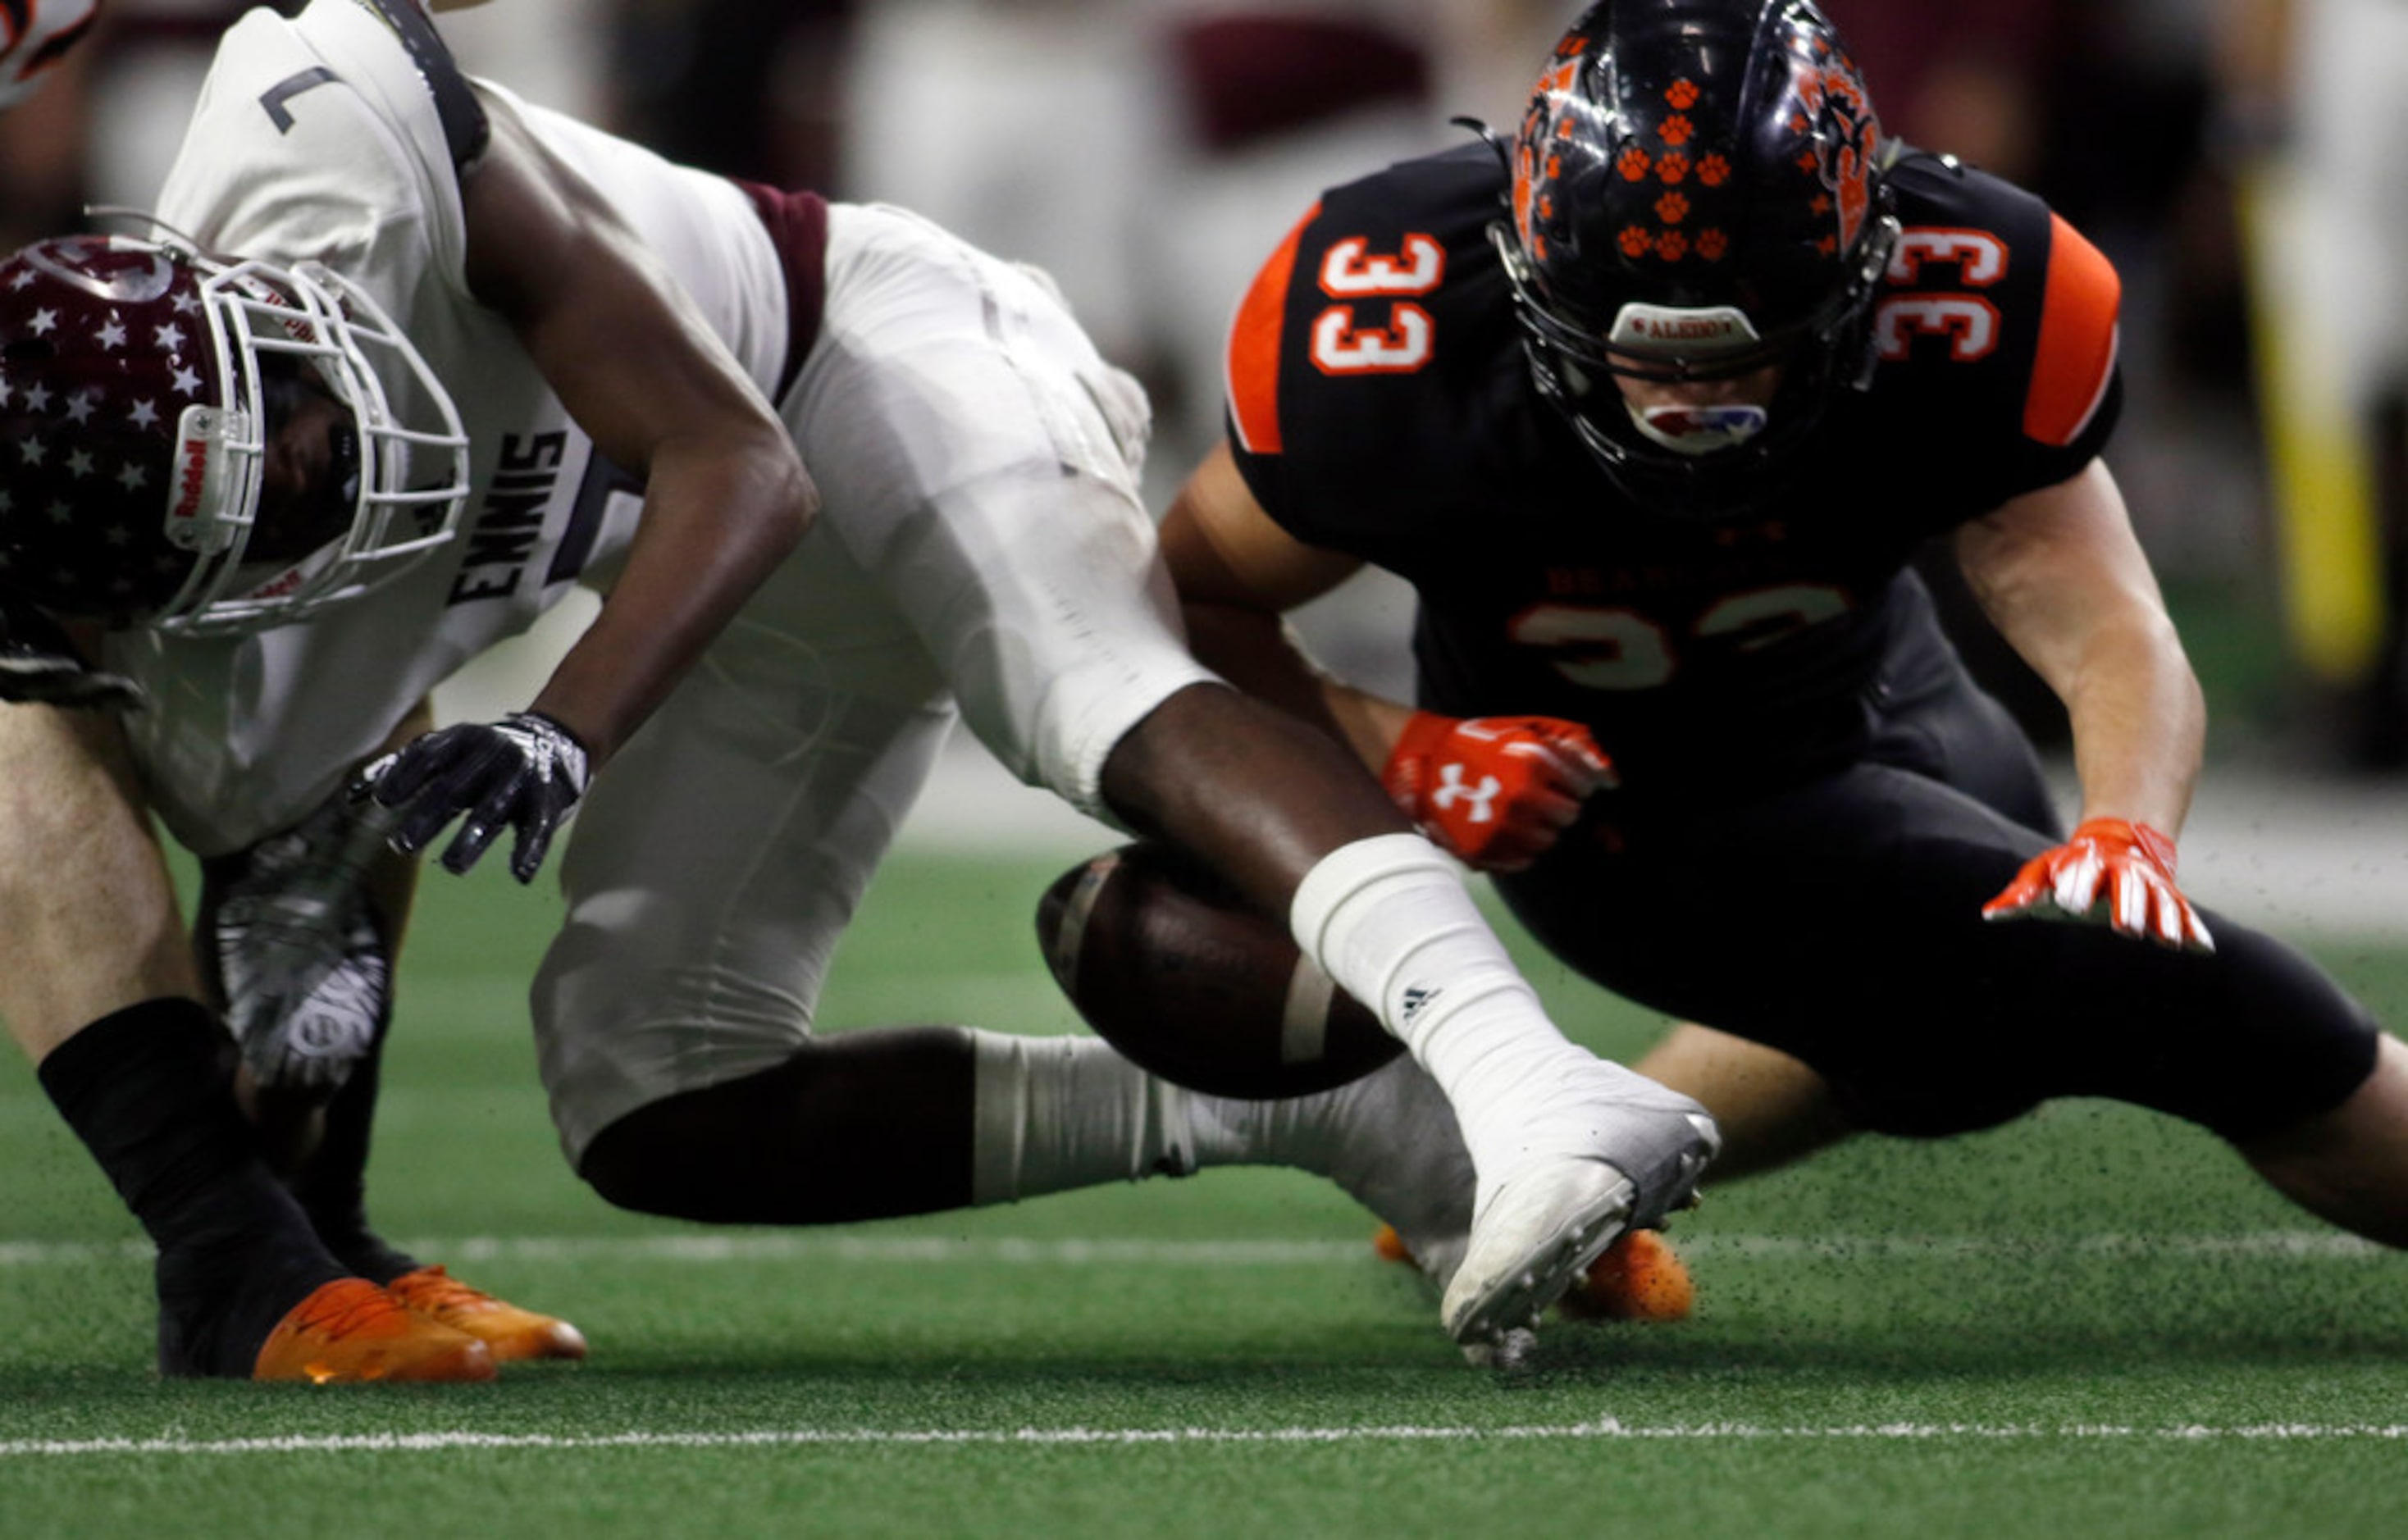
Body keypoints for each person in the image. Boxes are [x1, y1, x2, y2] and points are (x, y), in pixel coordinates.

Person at [0, 0, 1717, 1380]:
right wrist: (292, 1143)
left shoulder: (328, 132)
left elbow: (732, 463)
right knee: (651, 1101)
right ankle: (1346, 1115)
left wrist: (564, 721)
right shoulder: (227, 672)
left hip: (854, 364)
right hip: (738, 602)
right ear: (170, 588)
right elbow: (303, 870)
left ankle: (1529, 1086)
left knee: (1081, 680)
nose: (332, 472)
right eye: (271, 517)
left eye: (288, 416)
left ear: (235, 303)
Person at [1148, 0, 2408, 1290]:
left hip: (1886, 694)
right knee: (2241, 1020)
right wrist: (1406, 752)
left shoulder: (1974, 278)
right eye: (1642, 359)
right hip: (1627, 817)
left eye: (1743, 356)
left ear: (1872, 260)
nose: (1689, 408)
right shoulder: (1393, 319)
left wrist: (2129, 819)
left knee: (1942, 1058)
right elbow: (1185, 599)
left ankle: (1498, 1176)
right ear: (1528, 271)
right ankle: (1509, 1168)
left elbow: (2101, 611)